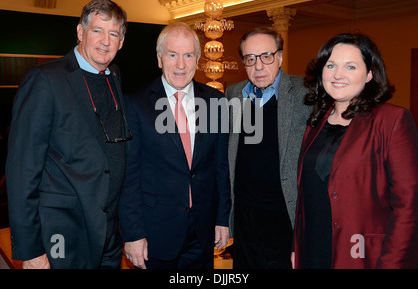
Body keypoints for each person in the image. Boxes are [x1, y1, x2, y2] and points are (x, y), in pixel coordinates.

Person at [6, 0, 130, 269]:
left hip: (108, 236)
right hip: (62, 236)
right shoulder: (45, 80)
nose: (105, 41)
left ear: (121, 41)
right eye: (97, 30)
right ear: (80, 32)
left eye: (113, 34)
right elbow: (22, 170)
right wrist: (30, 250)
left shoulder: (114, 76)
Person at [292, 33, 418, 269]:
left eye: (350, 66)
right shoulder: (316, 122)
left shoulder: (391, 120)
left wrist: (392, 264)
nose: (338, 75)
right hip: (313, 252)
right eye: (331, 65)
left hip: (363, 257)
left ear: (370, 74)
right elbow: (305, 196)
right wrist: (295, 248)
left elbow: (408, 206)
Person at [118, 22, 231, 269]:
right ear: (160, 59)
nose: (181, 64)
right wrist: (133, 233)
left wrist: (223, 219)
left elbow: (221, 167)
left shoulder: (216, 101)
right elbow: (129, 175)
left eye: (188, 55)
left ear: (198, 59)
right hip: (154, 233)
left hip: (203, 231)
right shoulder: (135, 103)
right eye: (172, 55)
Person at [225, 27, 311, 269]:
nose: (258, 66)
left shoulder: (306, 93)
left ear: (280, 57)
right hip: (244, 215)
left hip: (285, 213)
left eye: (266, 56)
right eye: (250, 59)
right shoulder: (234, 94)